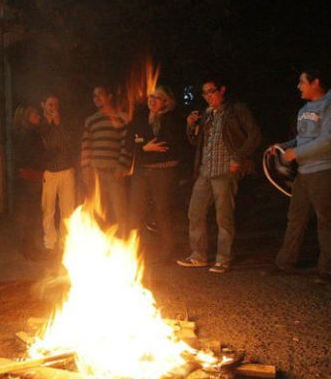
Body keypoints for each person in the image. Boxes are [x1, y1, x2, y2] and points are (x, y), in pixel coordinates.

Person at [266, 69, 331, 284]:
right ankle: (285, 262)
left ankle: (328, 270)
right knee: (296, 218)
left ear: (316, 82)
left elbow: (329, 140)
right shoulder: (305, 109)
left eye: (302, 82)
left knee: (326, 220)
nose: (299, 86)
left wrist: (298, 153)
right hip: (305, 172)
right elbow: (302, 138)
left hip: (327, 169)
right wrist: (283, 147)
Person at [177, 77, 261, 273]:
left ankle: (223, 258)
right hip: (205, 171)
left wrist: (238, 157)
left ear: (222, 90)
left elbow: (254, 135)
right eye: (205, 93)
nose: (208, 96)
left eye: (211, 91)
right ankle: (199, 255)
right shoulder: (207, 115)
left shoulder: (236, 110)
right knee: (195, 212)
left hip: (225, 170)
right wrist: (190, 125)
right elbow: (195, 142)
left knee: (224, 217)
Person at [126, 85, 188, 263]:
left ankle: (168, 250)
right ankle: (133, 250)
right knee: (135, 211)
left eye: (157, 98)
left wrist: (146, 146)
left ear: (166, 102)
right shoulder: (140, 120)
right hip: (141, 171)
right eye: (150, 97)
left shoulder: (172, 121)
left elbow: (169, 145)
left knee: (162, 210)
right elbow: (129, 142)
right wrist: (144, 147)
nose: (152, 101)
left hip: (164, 171)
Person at [80, 84, 131, 229]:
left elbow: (126, 145)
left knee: (120, 212)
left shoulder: (120, 119)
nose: (96, 98)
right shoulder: (91, 120)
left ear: (109, 97)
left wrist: (121, 166)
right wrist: (85, 168)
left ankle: (124, 245)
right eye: (94, 96)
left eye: (100, 94)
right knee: (98, 213)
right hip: (95, 173)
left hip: (114, 173)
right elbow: (86, 145)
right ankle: (102, 246)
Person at [39, 94, 76, 255]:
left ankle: (65, 244)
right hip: (49, 172)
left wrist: (58, 123)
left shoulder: (64, 123)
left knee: (67, 209)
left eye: (55, 105)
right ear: (43, 105)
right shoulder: (40, 124)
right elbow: (44, 146)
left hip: (67, 170)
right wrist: (49, 124)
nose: (53, 108)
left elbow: (68, 145)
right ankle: (49, 244)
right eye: (50, 105)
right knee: (48, 210)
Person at [11, 105, 46, 260]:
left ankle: (30, 248)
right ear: (27, 117)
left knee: (31, 214)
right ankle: (29, 250)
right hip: (30, 178)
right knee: (30, 215)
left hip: (31, 177)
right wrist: (51, 154)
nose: (38, 117)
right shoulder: (28, 134)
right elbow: (32, 156)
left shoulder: (28, 133)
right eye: (35, 115)